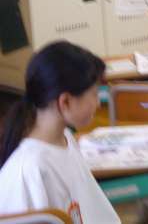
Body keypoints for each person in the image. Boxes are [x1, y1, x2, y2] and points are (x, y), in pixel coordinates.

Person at [0, 41, 121, 223]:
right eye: (94, 94)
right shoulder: (30, 168)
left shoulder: (65, 138)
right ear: (65, 102)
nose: (98, 103)